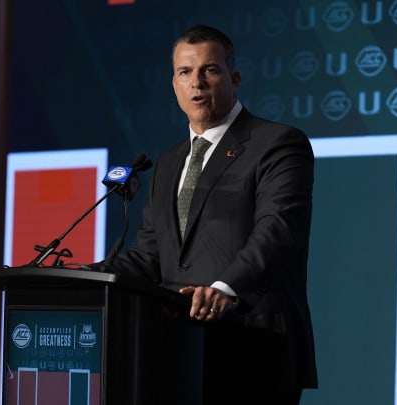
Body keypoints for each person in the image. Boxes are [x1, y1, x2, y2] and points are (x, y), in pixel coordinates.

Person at [98, 24, 317, 403]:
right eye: (185, 72)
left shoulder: (277, 143)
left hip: (253, 350)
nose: (196, 82)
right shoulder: (168, 162)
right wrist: (88, 275)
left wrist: (223, 288)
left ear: (233, 78)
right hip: (174, 352)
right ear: (174, 84)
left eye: (209, 70)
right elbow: (151, 254)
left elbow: (278, 229)